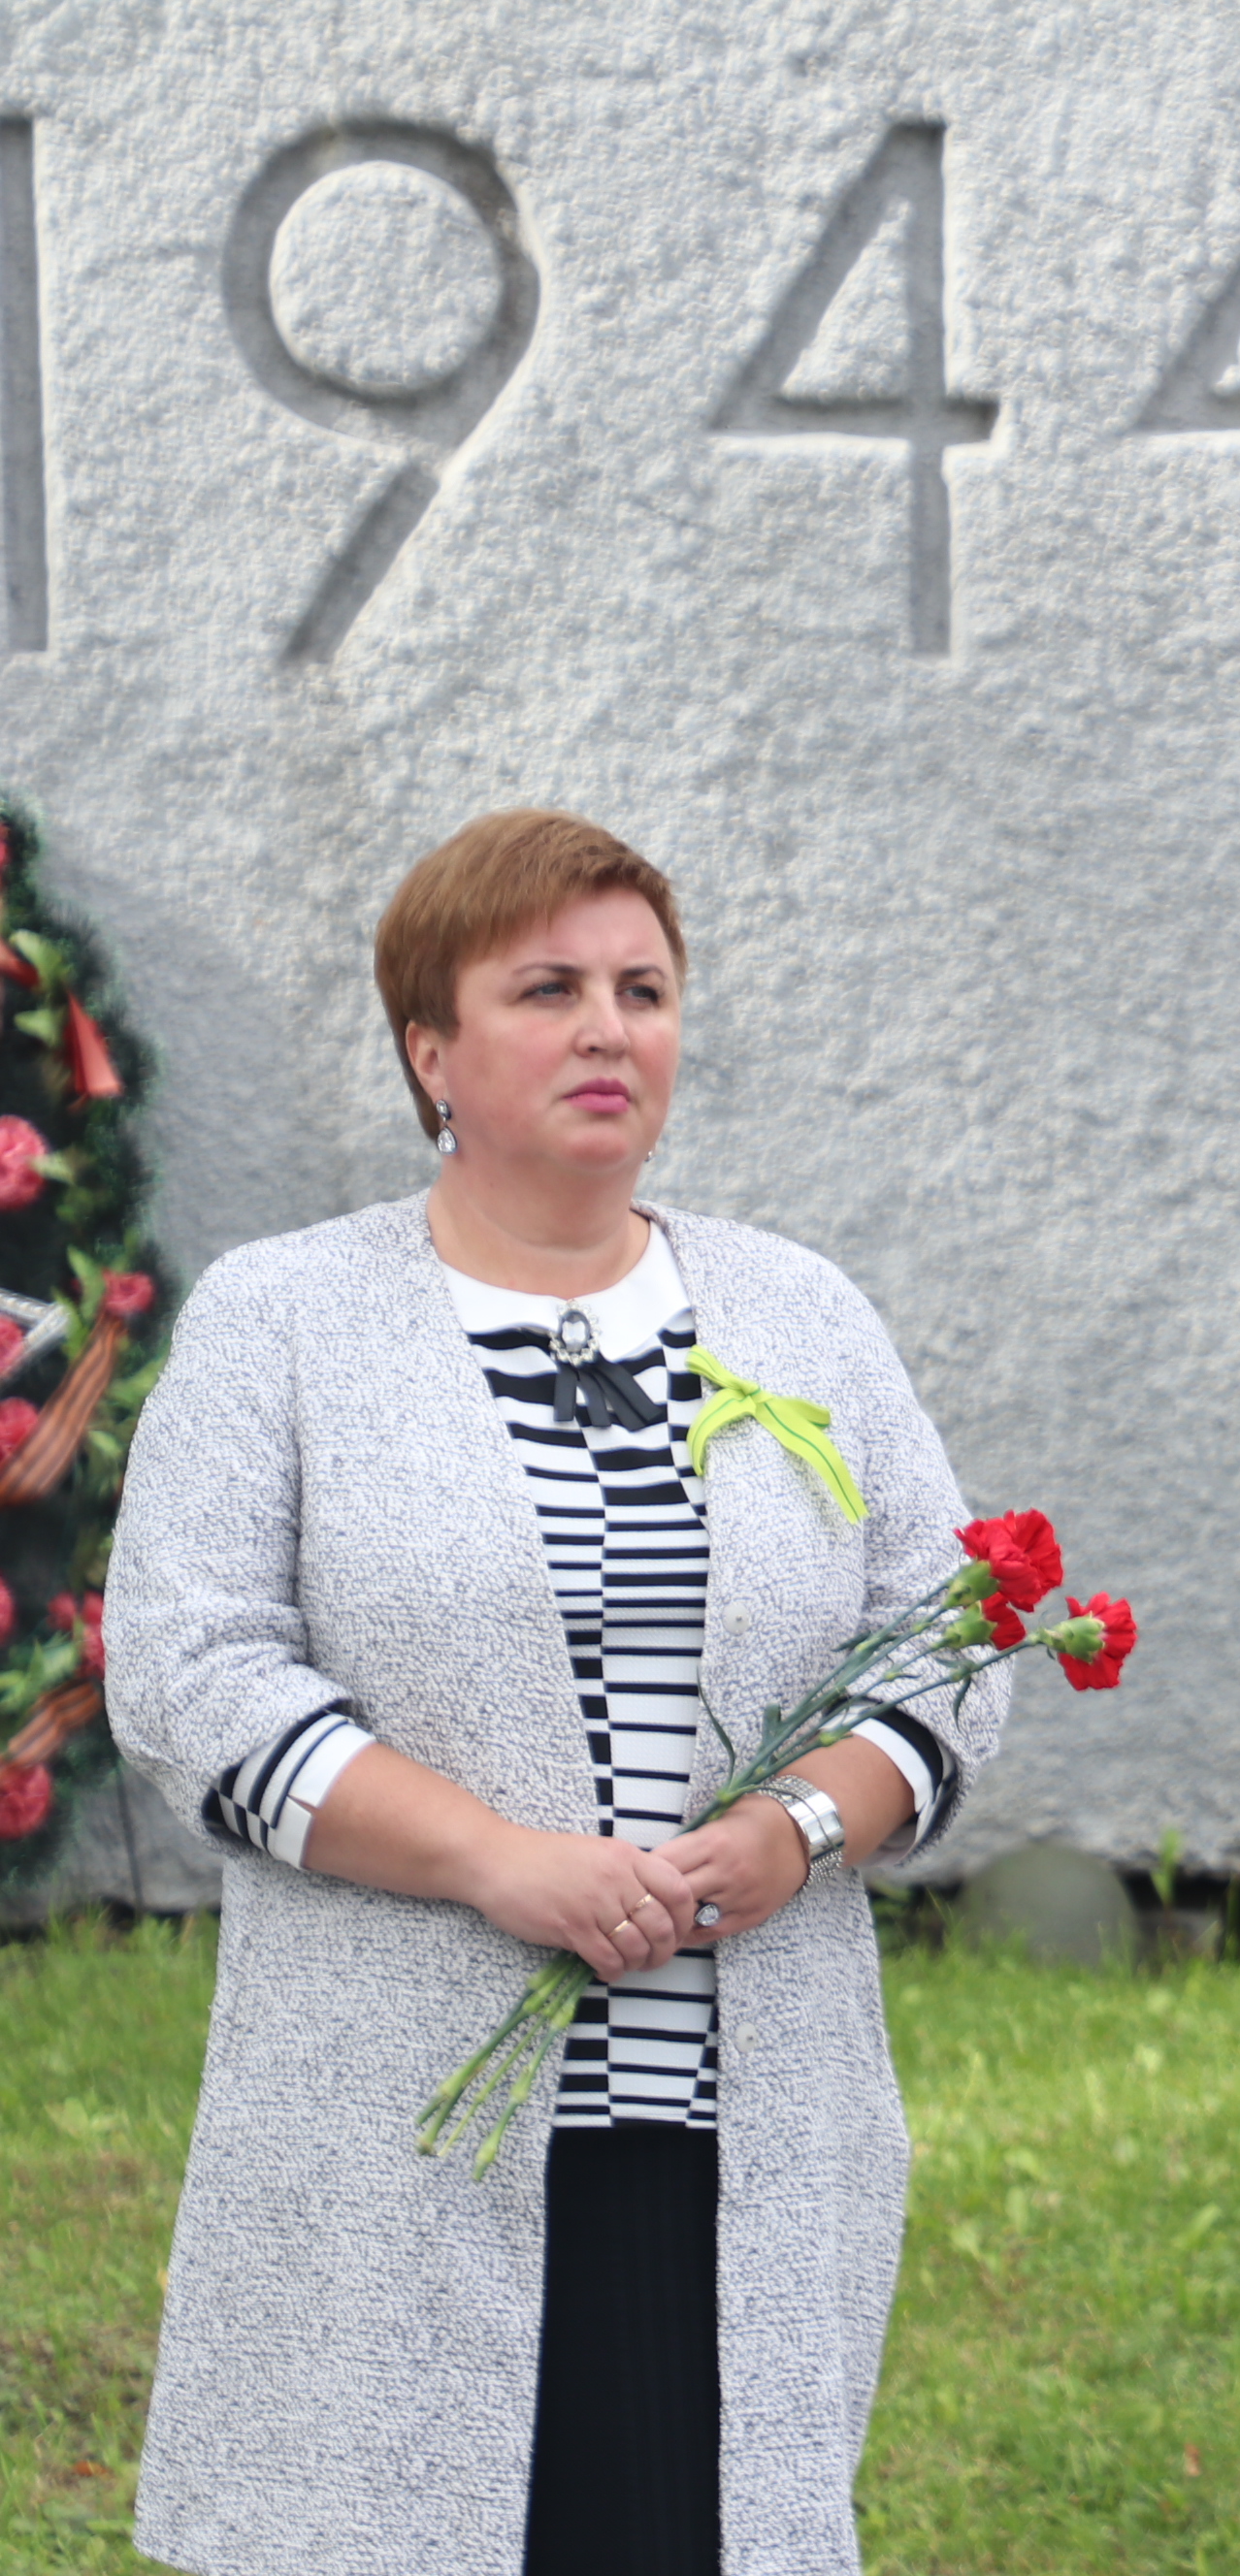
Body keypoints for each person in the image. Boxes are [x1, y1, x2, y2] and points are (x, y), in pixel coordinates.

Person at [107, 810, 1005, 2576]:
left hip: (740, 2111)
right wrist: (495, 1862)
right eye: (548, 990)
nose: (610, 1028)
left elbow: (948, 1631)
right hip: (397, 2116)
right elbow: (193, 1667)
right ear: (430, 1052)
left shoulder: (801, 1311)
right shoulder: (282, 1318)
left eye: (642, 990)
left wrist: (800, 1822)